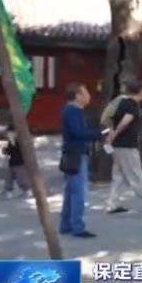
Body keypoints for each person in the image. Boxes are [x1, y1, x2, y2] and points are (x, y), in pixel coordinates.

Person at [105, 81, 142, 215]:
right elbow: (125, 121)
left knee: (118, 176)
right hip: (127, 145)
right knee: (136, 174)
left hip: (117, 145)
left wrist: (111, 137)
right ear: (140, 91)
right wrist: (115, 133)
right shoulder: (132, 104)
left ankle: (112, 204)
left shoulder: (121, 103)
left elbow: (112, 122)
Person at [60, 83, 102, 238]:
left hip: (73, 153)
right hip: (76, 154)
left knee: (71, 191)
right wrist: (99, 133)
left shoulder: (71, 110)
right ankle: (77, 226)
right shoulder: (73, 111)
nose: (89, 96)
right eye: (86, 93)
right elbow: (78, 132)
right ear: (77, 96)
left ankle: (66, 224)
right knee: (79, 192)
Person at [2, 124, 32, 198]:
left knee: (21, 178)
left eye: (9, 133)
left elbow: (21, 150)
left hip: (19, 162)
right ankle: (8, 190)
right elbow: (9, 151)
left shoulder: (20, 141)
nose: (7, 135)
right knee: (9, 177)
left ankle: (27, 190)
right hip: (12, 162)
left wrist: (7, 150)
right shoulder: (11, 141)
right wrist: (5, 150)